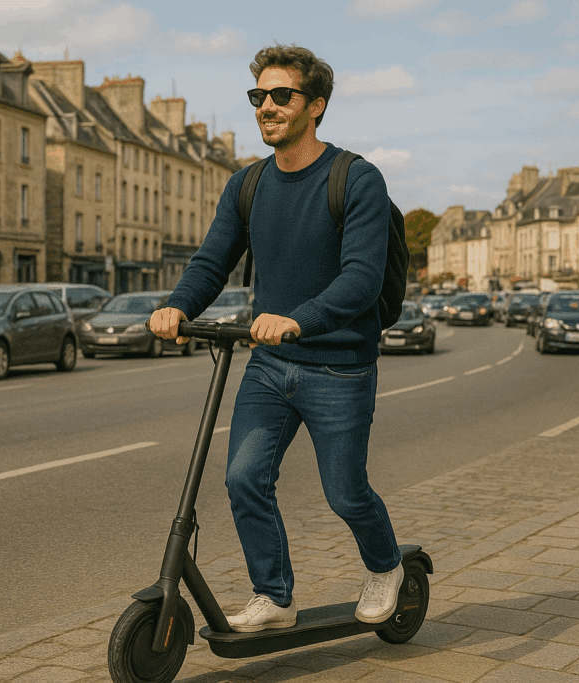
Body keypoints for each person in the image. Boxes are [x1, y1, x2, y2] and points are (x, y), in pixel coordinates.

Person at [148, 44, 403, 633]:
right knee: (243, 478)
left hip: (338, 366)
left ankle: (386, 566)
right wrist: (176, 306)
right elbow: (213, 260)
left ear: (315, 106)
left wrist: (298, 320)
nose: (266, 106)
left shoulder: (356, 179)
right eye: (258, 96)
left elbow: (362, 280)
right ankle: (274, 595)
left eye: (281, 95)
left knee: (345, 493)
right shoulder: (248, 184)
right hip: (270, 365)